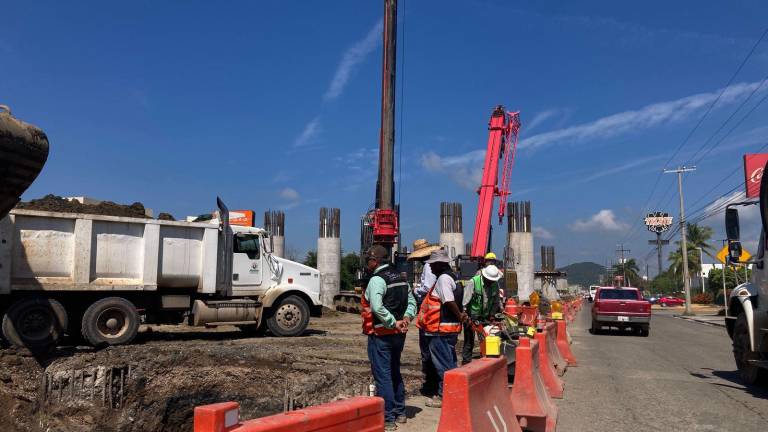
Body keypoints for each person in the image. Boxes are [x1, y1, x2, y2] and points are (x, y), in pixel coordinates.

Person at [361, 244, 417, 430]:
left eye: (368, 259)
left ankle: (388, 418)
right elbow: (411, 302)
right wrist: (406, 318)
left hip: (381, 335)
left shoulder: (377, 280)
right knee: (394, 371)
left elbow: (376, 307)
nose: (367, 262)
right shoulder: (401, 278)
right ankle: (400, 412)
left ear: (375, 260)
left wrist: (392, 322)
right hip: (398, 335)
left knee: (383, 375)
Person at [417, 249, 467, 408]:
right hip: (448, 329)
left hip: (439, 329)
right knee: (450, 363)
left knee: (443, 366)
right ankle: (455, 393)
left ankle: (446, 396)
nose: (430, 268)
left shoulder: (443, 279)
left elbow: (448, 301)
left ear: (440, 264)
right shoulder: (454, 277)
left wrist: (459, 316)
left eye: (433, 265)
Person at [407, 239, 441, 397]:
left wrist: (416, 290)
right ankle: (434, 383)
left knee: (427, 349)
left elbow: (427, 287)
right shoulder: (434, 267)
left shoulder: (428, 267)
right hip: (434, 311)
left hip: (428, 307)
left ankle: (431, 384)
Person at [460, 264, 503, 364]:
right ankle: (466, 362)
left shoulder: (494, 285)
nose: (491, 282)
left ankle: (485, 359)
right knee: (469, 340)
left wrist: (492, 315)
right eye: (489, 280)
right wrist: (466, 315)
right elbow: (465, 301)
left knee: (487, 338)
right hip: (471, 315)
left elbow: (496, 301)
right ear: (484, 277)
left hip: (485, 316)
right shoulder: (474, 282)